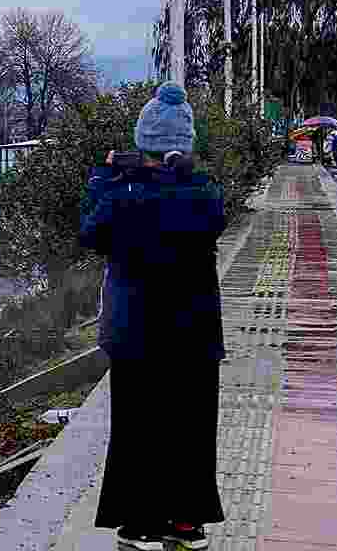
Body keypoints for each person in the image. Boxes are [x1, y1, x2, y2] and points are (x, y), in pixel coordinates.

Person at [78, 81, 227, 551]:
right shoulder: (205, 195)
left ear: (142, 145)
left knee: (138, 425)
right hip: (195, 332)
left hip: (136, 331)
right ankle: (187, 523)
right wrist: (175, 175)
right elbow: (209, 210)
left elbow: (90, 232)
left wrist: (106, 178)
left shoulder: (122, 198)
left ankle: (141, 523)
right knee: (191, 425)